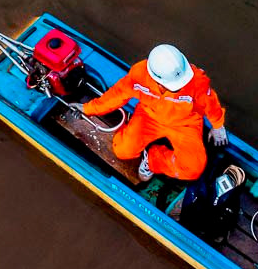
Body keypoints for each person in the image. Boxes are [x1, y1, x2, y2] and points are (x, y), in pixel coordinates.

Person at [80, 43, 226, 182]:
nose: (180, 87)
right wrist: (89, 109)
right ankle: (133, 135)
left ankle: (152, 159)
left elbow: (210, 102)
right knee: (123, 151)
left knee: (194, 169)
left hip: (185, 124)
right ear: (155, 79)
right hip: (149, 116)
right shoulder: (139, 75)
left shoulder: (197, 81)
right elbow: (117, 94)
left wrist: (218, 125)